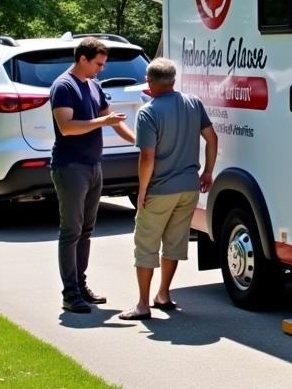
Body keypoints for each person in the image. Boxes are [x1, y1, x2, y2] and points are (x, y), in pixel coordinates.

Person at [119, 58, 217, 321]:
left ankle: (142, 304)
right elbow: (212, 138)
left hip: (161, 189)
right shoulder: (193, 103)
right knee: (174, 244)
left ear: (149, 82)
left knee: (146, 245)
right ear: (174, 80)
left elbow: (147, 157)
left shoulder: (148, 112)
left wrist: (141, 190)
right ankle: (163, 294)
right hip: (189, 188)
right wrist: (208, 171)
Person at [51, 37, 136, 313]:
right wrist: (104, 122)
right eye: (98, 64)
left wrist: (140, 142)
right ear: (82, 59)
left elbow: (112, 119)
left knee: (86, 230)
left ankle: (81, 285)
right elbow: (67, 127)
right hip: (70, 167)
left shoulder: (94, 85)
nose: (101, 69)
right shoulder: (64, 86)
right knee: (71, 230)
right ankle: (70, 293)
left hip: (93, 165)